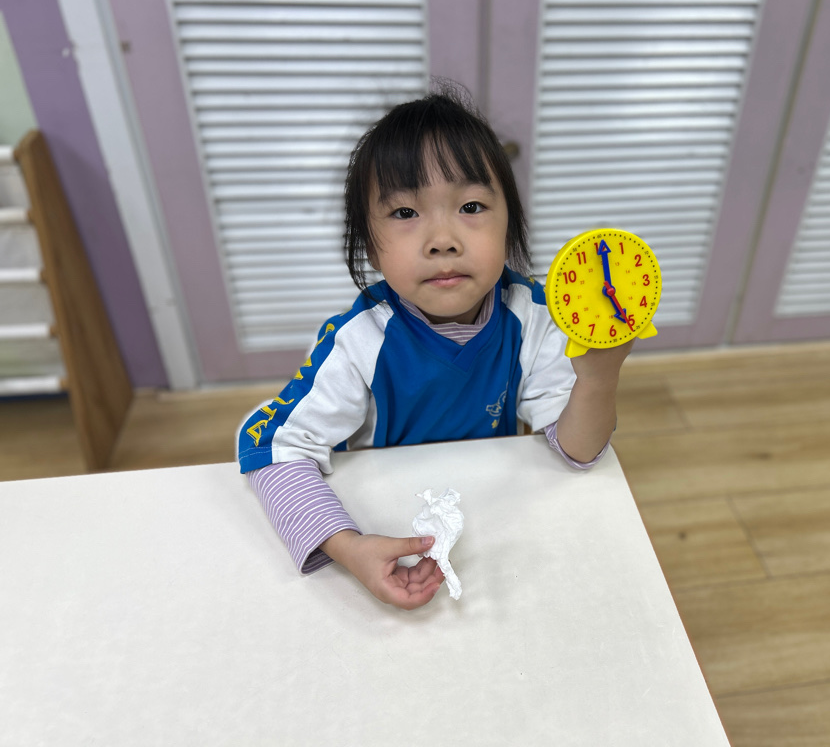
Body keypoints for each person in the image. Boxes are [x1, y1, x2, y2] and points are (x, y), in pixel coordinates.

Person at [237, 83, 633, 610]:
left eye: (471, 206)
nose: (442, 240)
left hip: (493, 529)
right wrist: (347, 545)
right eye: (405, 213)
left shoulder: (533, 315)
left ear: (509, 224)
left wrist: (599, 376)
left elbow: (578, 450)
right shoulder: (359, 340)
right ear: (369, 246)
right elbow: (270, 447)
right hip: (389, 526)